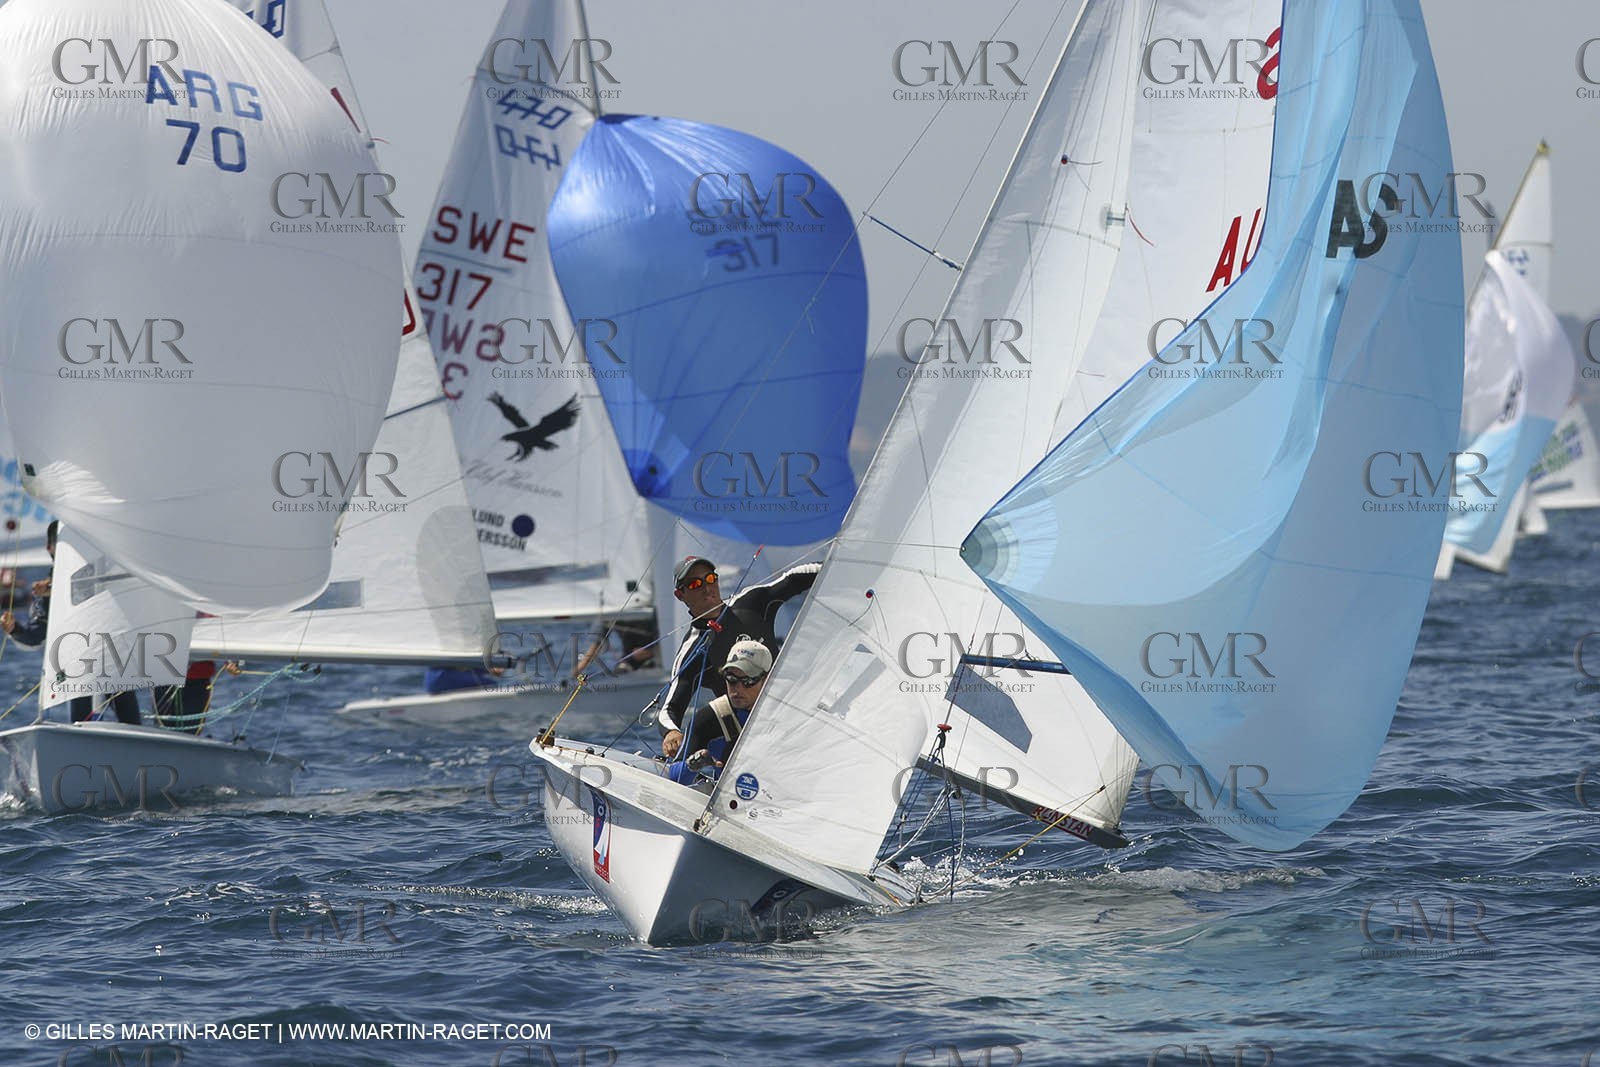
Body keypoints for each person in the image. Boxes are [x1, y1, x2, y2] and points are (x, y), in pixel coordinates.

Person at [655, 555, 819, 734]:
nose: (707, 587)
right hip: (753, 733)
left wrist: (841, 562)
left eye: (710, 579)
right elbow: (669, 712)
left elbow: (793, 578)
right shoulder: (693, 650)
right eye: (695, 584)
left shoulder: (750, 603)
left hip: (798, 707)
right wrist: (671, 733)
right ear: (680, 595)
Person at [1, 520, 141, 724]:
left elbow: (103, 581)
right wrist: (15, 629)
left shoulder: (105, 567)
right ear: (50, 548)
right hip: (78, 667)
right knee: (80, 716)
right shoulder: (44, 594)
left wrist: (54, 586)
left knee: (129, 718)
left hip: (115, 658)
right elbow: (37, 636)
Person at [662, 639, 770, 784]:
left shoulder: (786, 715)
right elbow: (674, 778)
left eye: (747, 681)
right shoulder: (711, 717)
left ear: (767, 679)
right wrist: (692, 765)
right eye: (731, 679)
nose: (737, 688)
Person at [152, 659, 241, 731]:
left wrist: (232, 661)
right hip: (165, 676)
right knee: (162, 729)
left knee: (190, 731)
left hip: (197, 681)